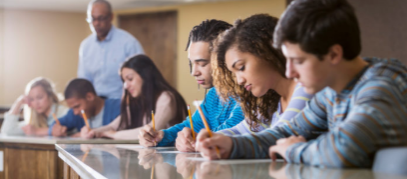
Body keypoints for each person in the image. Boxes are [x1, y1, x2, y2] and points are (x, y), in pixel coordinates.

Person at [195, 0, 407, 168]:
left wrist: (292, 151)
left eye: (298, 61)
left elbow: (342, 150)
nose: (289, 72)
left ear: (334, 54)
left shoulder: (380, 87)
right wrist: (231, 145)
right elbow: (286, 133)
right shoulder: (331, 93)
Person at [138, 20, 245, 151]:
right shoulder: (213, 95)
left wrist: (195, 139)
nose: (194, 72)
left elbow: (234, 130)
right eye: (192, 63)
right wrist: (161, 136)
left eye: (202, 63)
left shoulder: (249, 92)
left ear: (225, 59)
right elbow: (192, 125)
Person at [211, 14, 313, 136]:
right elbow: (239, 130)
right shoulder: (272, 103)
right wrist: (204, 139)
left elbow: (279, 134)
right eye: (235, 73)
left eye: (241, 67)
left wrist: (226, 143)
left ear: (265, 51)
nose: (239, 81)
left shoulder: (305, 87)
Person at [80, 54, 187, 139]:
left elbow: (151, 131)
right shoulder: (138, 100)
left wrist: (113, 135)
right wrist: (93, 131)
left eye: (130, 79)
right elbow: (114, 126)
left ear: (146, 76)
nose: (125, 86)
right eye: (124, 81)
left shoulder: (166, 98)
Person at [78, 0, 144, 99]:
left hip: (123, 101)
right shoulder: (86, 46)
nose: (96, 23)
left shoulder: (128, 42)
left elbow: (142, 75)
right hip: (97, 104)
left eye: (101, 18)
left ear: (111, 17)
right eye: (92, 19)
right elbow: (84, 80)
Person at [49, 78, 121, 137]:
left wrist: (80, 135)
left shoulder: (117, 107)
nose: (75, 112)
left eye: (77, 106)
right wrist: (55, 129)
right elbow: (57, 123)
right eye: (72, 108)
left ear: (89, 97)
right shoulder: (75, 114)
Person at [1, 77, 69, 136]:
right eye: (32, 99)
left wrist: (37, 131)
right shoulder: (34, 119)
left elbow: (68, 131)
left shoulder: (65, 112)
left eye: (40, 97)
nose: (36, 103)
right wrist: (19, 102)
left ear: (50, 95)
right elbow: (7, 130)